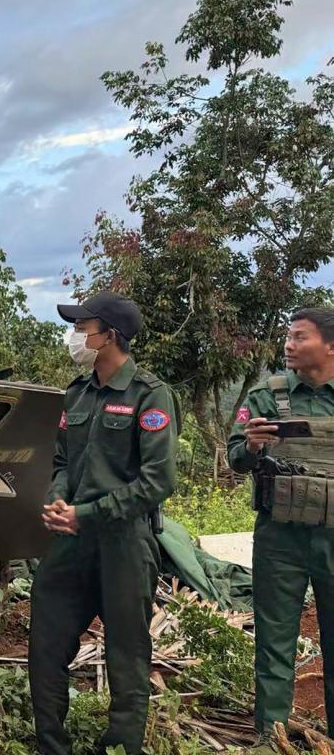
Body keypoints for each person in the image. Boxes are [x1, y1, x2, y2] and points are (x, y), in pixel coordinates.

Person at [28, 291, 178, 755]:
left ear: (109, 335)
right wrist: (56, 500)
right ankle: (52, 746)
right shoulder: (77, 393)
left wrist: (87, 513)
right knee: (46, 643)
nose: (76, 335)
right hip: (71, 541)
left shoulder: (150, 396)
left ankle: (120, 747)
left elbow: (157, 481)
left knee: (127, 656)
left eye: (83, 327)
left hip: (125, 542)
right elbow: (60, 461)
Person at [228, 307, 334, 736]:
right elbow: (236, 458)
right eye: (287, 336)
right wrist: (251, 446)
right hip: (279, 539)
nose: (288, 344)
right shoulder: (267, 396)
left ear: (329, 345)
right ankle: (270, 739)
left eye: (300, 336)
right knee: (274, 643)